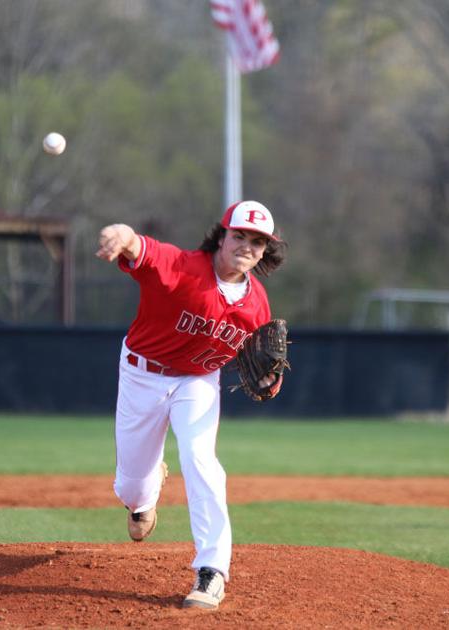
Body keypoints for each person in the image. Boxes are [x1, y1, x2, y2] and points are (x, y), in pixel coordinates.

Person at [96, 200, 286, 610]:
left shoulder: (257, 303)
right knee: (130, 487)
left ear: (264, 251)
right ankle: (144, 497)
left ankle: (212, 570)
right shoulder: (183, 267)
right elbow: (140, 247)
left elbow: (260, 361)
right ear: (222, 236)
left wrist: (270, 380)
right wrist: (121, 235)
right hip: (142, 375)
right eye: (239, 235)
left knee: (201, 459)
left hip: (198, 381)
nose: (247, 246)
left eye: (257, 242)